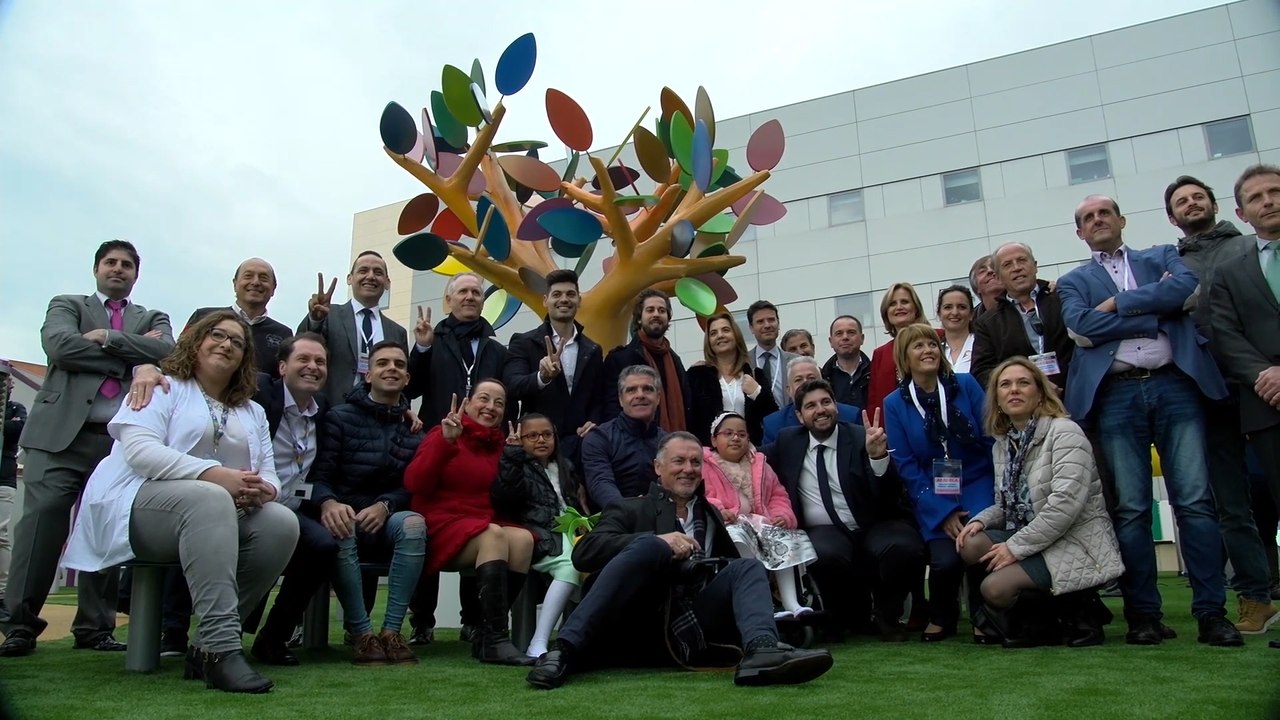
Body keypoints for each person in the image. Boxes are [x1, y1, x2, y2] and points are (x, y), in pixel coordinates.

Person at [62, 311, 299, 692]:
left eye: (237, 342)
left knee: (281, 522)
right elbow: (140, 452)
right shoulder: (159, 387)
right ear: (196, 342)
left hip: (212, 511)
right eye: (217, 335)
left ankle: (209, 642)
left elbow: (270, 472)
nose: (226, 344)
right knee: (209, 497)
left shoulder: (252, 410)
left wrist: (264, 490)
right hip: (139, 503)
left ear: (244, 358)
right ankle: (223, 651)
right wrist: (215, 475)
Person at [1059, 194, 1242, 647]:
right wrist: (1153, 312)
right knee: (1133, 509)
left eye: (1104, 213)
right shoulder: (1073, 281)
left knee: (1195, 502)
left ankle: (1211, 615)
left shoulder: (1162, 255)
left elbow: (1185, 290)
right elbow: (1081, 327)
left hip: (1176, 386)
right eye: (1087, 218)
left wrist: (1116, 306)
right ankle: (1144, 616)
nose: (1097, 220)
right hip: (1116, 397)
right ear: (1079, 233)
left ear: (1121, 220)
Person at [525, 432, 834, 689]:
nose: (688, 468)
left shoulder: (710, 515)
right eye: (679, 461)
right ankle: (563, 650)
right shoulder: (629, 508)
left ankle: (762, 651)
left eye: (695, 462)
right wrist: (657, 540)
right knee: (652, 547)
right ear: (658, 467)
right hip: (634, 622)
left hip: (692, 626)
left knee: (746, 566)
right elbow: (584, 554)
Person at [2, 240, 175, 657]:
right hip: (59, 437)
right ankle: (20, 625)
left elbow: (167, 351)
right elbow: (60, 347)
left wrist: (107, 338)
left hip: (117, 442)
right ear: (97, 268)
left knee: (106, 527)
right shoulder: (67, 304)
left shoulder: (152, 316)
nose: (118, 269)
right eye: (110, 263)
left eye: (127, 265)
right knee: (42, 525)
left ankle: (95, 628)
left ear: (136, 273)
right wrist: (132, 354)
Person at [1170, 172, 1276, 635]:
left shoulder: (1245, 248)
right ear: (1172, 217)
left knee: (1267, 494)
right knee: (1231, 503)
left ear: (1217, 205)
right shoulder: (1170, 259)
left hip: (1261, 388)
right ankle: (1256, 596)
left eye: (1198, 197)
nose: (1191, 204)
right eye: (1181, 202)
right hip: (1212, 392)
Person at [957, 358, 1123, 648]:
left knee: (994, 588)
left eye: (1023, 383)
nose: (1014, 390)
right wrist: (980, 520)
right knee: (970, 543)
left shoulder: (1064, 432)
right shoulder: (1003, 442)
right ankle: (1044, 617)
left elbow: (1063, 507)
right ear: (996, 398)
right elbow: (1005, 504)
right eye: (1005, 385)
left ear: (1040, 392)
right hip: (1035, 535)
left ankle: (1077, 610)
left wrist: (1014, 547)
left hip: (1072, 540)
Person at [763, 379, 925, 642]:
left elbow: (890, 495)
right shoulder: (787, 441)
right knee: (823, 553)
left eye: (826, 402)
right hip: (825, 530)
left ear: (836, 406)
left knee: (903, 547)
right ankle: (847, 617)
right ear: (799, 416)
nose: (820, 410)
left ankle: (887, 614)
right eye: (811, 406)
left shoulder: (863, 437)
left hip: (874, 522)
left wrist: (878, 458)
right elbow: (754, 458)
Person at [310, 340, 426, 665]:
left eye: (400, 365)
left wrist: (386, 504)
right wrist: (329, 502)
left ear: (406, 379)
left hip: (388, 517)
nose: (392, 368)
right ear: (368, 375)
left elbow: (413, 487)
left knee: (415, 523)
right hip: (344, 512)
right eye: (383, 363)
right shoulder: (338, 418)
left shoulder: (414, 429)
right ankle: (362, 635)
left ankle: (391, 633)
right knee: (341, 524)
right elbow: (320, 475)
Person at [404, 380, 535, 666]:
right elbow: (415, 483)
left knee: (523, 540)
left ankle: (487, 634)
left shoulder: (503, 444)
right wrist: (446, 443)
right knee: (494, 535)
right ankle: (496, 641)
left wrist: (513, 461)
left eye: (499, 403)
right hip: (441, 524)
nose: (491, 407)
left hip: (484, 524)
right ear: (469, 402)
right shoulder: (444, 433)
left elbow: (509, 499)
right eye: (484, 399)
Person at [883, 323, 995, 642]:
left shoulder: (965, 384)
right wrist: (942, 511)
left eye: (932, 344)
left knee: (976, 545)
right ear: (905, 359)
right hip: (932, 489)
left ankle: (983, 615)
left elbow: (989, 437)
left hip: (977, 479)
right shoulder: (895, 403)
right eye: (917, 346)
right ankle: (942, 615)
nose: (928, 350)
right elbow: (905, 463)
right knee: (945, 560)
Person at [1208, 164, 1280, 635]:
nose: (1269, 201)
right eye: (1257, 197)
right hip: (1266, 401)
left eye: (1276, 192)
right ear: (1241, 212)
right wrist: (1264, 373)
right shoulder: (1232, 271)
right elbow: (1225, 334)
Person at [701, 412, 815, 618]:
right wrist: (720, 509)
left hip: (761, 522)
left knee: (783, 538)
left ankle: (791, 602)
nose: (736, 438)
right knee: (740, 536)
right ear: (714, 440)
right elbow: (703, 495)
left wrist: (781, 514)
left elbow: (777, 494)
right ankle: (762, 601)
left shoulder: (760, 464)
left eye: (741, 434)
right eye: (728, 433)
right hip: (729, 524)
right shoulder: (704, 465)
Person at [492, 413, 587, 658]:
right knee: (571, 564)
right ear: (520, 439)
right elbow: (506, 496)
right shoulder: (516, 466)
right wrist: (511, 456)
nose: (540, 440)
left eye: (546, 434)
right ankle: (539, 641)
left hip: (570, 533)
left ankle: (576, 637)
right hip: (537, 537)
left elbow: (572, 503)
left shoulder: (564, 466)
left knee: (595, 555)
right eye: (532, 436)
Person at [503, 269, 604, 462]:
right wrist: (542, 377)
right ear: (545, 300)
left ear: (579, 301)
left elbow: (597, 398)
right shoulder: (524, 342)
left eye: (570, 294)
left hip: (580, 446)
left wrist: (594, 422)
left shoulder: (593, 350)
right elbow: (512, 386)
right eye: (557, 294)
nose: (564, 299)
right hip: (537, 445)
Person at [298, 251, 410, 407]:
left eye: (378, 272)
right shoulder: (329, 314)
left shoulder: (397, 332)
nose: (370, 276)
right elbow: (300, 349)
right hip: (333, 411)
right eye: (363, 271)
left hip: (381, 416)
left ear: (387, 283)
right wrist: (315, 320)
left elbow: (403, 379)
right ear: (349, 279)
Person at [972, 242, 1073, 393]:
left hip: (1077, 392)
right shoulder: (988, 322)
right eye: (1007, 265)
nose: (1017, 268)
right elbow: (982, 370)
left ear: (1035, 265)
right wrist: (1020, 385)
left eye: (1022, 260)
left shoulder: (1062, 299)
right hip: (1023, 403)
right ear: (998, 277)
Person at [186, 258, 292, 377]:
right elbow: (178, 357)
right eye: (248, 276)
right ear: (235, 284)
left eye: (263, 278)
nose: (256, 282)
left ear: (273, 289)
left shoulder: (284, 334)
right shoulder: (203, 317)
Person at [601, 289, 690, 431]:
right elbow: (610, 408)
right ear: (639, 318)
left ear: (668, 318)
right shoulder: (619, 359)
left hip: (674, 445)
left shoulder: (675, 361)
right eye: (650, 310)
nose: (656, 314)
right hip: (632, 445)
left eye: (661, 310)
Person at [582, 365, 668, 509]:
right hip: (614, 522)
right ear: (621, 399)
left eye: (648, 389)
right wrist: (629, 510)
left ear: (658, 398)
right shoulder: (598, 438)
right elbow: (600, 483)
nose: (640, 395)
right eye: (631, 390)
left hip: (664, 519)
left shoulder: (668, 443)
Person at [686, 312, 777, 446]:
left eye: (726, 330)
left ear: (736, 335)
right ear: (709, 342)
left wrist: (757, 392)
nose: (720, 335)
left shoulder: (755, 375)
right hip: (710, 455)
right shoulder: (697, 376)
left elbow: (772, 417)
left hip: (748, 452)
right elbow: (690, 420)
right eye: (713, 333)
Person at [865, 282, 930, 419]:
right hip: (895, 426)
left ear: (916, 308)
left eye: (905, 302)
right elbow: (875, 402)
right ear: (886, 312)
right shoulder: (880, 354)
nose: (899, 307)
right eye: (893, 304)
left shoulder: (937, 338)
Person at [762, 356, 860, 446]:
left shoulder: (851, 416)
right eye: (798, 380)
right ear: (789, 390)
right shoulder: (773, 425)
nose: (806, 383)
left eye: (811, 378)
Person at [0, 376, 26, 611]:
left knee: (0, 534)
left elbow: (15, 429)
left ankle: (1, 590)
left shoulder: (16, 408)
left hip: (4, 478)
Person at [747, 300, 797, 408]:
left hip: (790, 422)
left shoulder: (796, 361)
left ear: (778, 323)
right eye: (760, 321)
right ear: (751, 328)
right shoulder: (742, 362)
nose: (767, 325)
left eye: (771, 320)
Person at [821, 315, 871, 411]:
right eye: (839, 333)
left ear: (862, 338)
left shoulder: (876, 372)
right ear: (831, 341)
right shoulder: (823, 377)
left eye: (851, 332)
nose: (845, 337)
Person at [936, 285, 976, 374]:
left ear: (971, 314)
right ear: (939, 314)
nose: (955, 312)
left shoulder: (984, 346)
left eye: (962, 307)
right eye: (948, 307)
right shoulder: (933, 350)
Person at [969, 254, 1005, 319]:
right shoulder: (970, 323)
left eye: (995, 268)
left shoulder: (1023, 308)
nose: (990, 271)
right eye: (982, 271)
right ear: (976, 287)